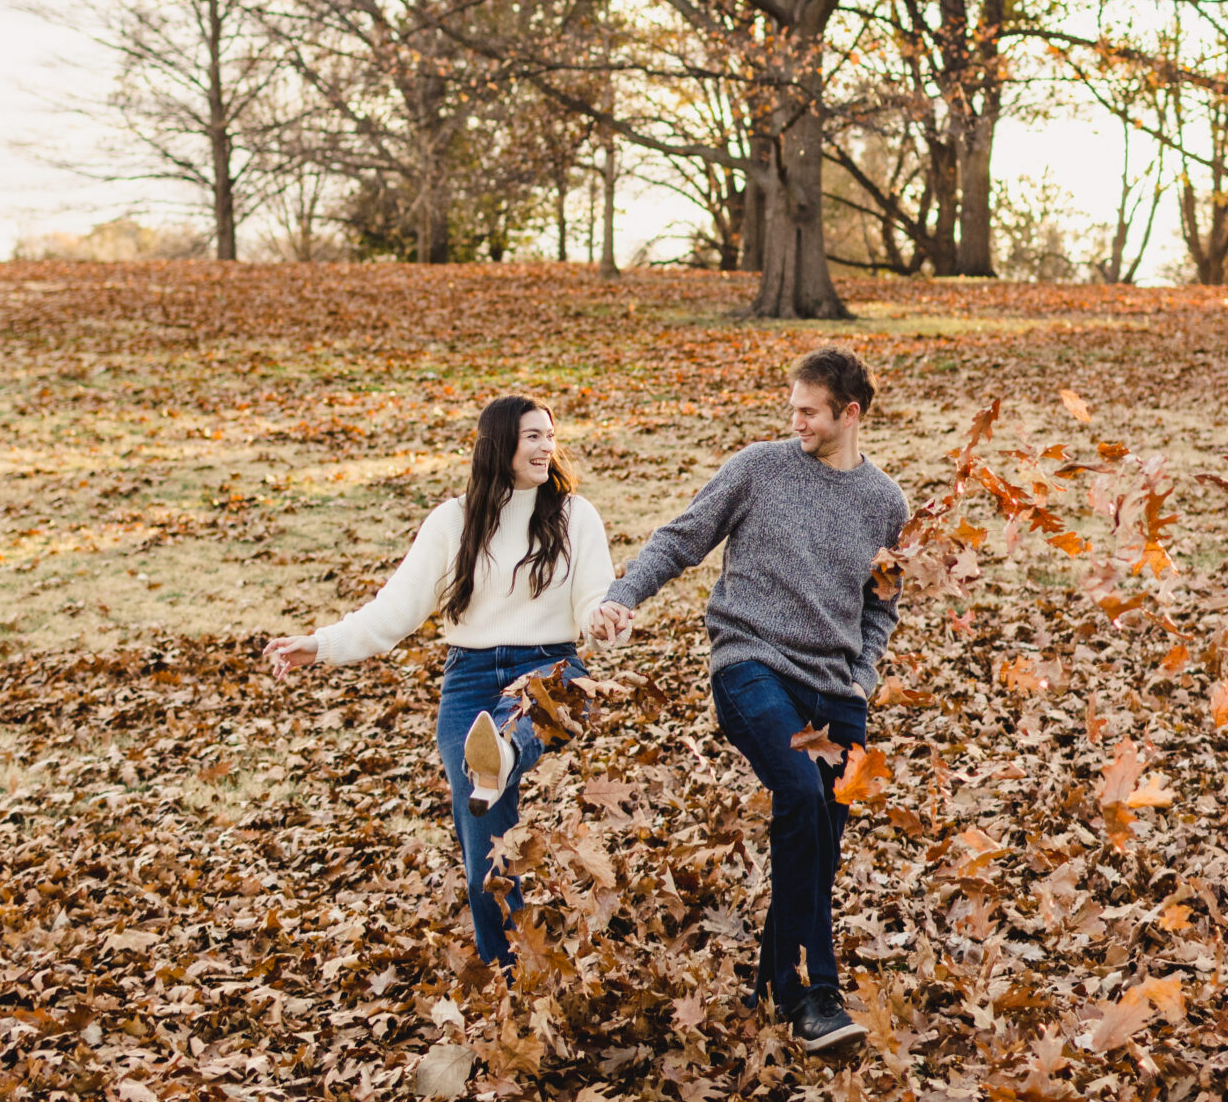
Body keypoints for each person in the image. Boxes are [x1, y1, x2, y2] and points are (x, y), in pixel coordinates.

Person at [588, 347, 906, 1052]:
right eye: (791, 407)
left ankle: (774, 983)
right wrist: (622, 597)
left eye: (809, 412)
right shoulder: (758, 468)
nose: (795, 421)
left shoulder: (886, 503)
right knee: (798, 793)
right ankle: (816, 995)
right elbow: (681, 538)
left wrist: (863, 677)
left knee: (819, 843)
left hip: (835, 688)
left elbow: (880, 605)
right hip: (751, 664)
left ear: (849, 414)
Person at [263, 394, 613, 972]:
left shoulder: (577, 516)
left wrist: (607, 620)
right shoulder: (452, 521)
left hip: (551, 668)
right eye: (532, 436)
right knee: (484, 854)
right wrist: (320, 645)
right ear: (499, 444)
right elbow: (393, 611)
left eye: (550, 435)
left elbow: (596, 600)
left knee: (518, 734)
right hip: (470, 680)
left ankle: (502, 749)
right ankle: (507, 973)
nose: (547, 446)